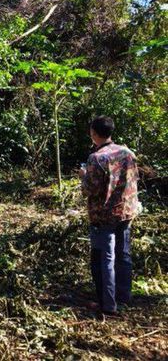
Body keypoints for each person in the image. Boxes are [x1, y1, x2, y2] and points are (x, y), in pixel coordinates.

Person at [80, 115, 139, 315]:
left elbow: (89, 190)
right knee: (123, 255)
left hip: (103, 216)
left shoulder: (97, 158)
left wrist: (84, 177)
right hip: (126, 212)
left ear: (93, 133)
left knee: (104, 258)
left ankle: (108, 304)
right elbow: (133, 180)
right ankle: (124, 297)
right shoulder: (127, 152)